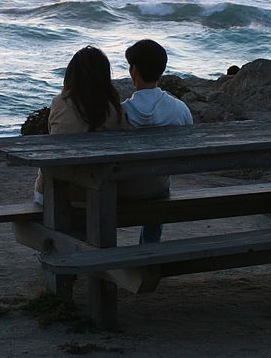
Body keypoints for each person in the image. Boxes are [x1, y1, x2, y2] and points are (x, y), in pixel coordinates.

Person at [33, 45, 127, 205]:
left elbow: (53, 136)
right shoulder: (114, 108)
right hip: (102, 190)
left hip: (57, 191)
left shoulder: (60, 102)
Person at [120, 39, 193, 243]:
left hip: (122, 189)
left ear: (133, 71)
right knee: (158, 182)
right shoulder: (179, 109)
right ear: (162, 71)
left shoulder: (121, 112)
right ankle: (150, 246)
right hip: (157, 188)